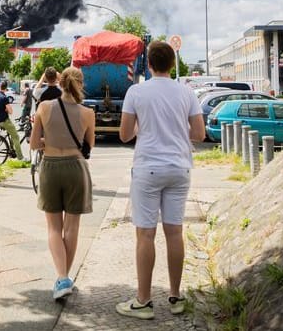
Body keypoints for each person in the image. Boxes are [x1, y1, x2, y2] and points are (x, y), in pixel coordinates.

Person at [115, 41, 206, 320]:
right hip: (179, 168)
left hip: (148, 169)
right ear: (171, 63)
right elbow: (200, 134)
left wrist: (145, 125)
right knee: (174, 232)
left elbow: (124, 135)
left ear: (150, 64)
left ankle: (143, 301)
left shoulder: (136, 91)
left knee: (146, 234)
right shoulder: (187, 91)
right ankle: (176, 297)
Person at [30, 66, 95, 300]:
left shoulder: (44, 107)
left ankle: (61, 277)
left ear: (60, 82)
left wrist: (50, 141)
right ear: (80, 83)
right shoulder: (88, 113)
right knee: (72, 227)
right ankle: (65, 277)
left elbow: (34, 143)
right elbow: (89, 145)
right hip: (76, 169)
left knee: (54, 227)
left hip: (50, 167)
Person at [0, 80, 26, 161]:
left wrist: (4, 110)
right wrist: (6, 110)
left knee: (12, 134)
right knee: (16, 137)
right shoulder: (4, 98)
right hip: (4, 121)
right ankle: (20, 157)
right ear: (6, 88)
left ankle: (11, 151)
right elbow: (11, 111)